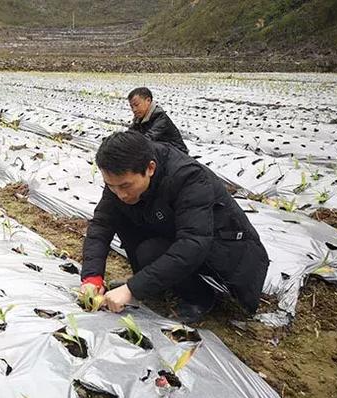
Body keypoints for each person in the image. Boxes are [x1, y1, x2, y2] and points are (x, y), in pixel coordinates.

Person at [80, 130, 269, 323]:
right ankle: (149, 284)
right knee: (126, 221)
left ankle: (199, 298)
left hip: (224, 248)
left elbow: (193, 243)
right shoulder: (121, 177)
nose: (119, 193)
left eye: (125, 186)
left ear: (150, 168)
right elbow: (102, 225)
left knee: (151, 251)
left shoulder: (188, 177)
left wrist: (131, 289)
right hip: (175, 230)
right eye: (111, 186)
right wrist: (92, 276)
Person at [128, 87, 188, 154]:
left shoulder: (161, 118)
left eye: (136, 105)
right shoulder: (139, 118)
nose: (134, 109)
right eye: (132, 107)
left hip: (178, 154)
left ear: (148, 100)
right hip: (162, 153)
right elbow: (129, 135)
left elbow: (148, 139)